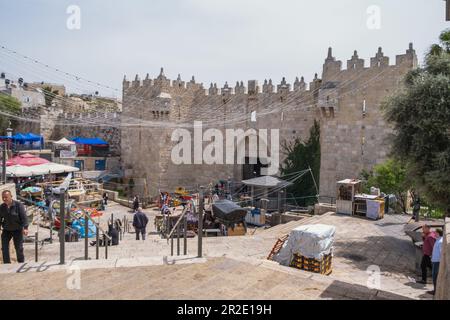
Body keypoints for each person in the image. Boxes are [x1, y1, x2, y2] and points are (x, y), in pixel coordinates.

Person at [0, 190, 29, 264]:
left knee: (19, 248)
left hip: (17, 230)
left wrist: (25, 228)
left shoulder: (18, 205)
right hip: (6, 230)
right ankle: (7, 264)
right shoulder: (2, 207)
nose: (4, 199)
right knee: (4, 248)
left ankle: (21, 263)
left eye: (6, 197)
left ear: (11, 196)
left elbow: (24, 218)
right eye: (3, 197)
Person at [428, 229, 443, 295]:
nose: (434, 234)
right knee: (434, 276)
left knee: (435, 276)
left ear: (438, 233)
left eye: (435, 233)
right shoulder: (438, 240)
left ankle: (435, 291)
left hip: (437, 262)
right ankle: (435, 290)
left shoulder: (440, 241)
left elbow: (441, 253)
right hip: (435, 260)